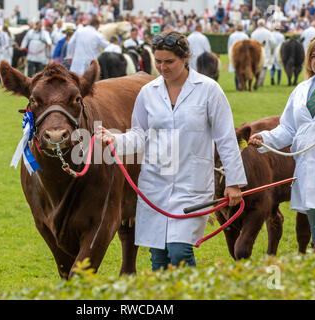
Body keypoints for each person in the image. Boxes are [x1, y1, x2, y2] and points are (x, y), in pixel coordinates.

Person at [97, 31, 247, 271]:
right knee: (158, 257)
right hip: (155, 185)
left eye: (169, 62)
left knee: (179, 251)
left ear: (185, 58)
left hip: (192, 185)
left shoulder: (209, 90)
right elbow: (139, 136)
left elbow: (226, 138)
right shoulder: (148, 92)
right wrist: (114, 140)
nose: (162, 67)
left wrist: (234, 182)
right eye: (158, 61)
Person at [248, 34, 315, 254]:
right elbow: (288, 129)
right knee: (314, 222)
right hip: (304, 166)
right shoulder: (301, 90)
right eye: (312, 56)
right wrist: (264, 139)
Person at [251, 19, 276, 87]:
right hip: (265, 52)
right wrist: (271, 50)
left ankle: (257, 81)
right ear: (264, 24)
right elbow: (273, 43)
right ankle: (260, 82)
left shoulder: (254, 33)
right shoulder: (268, 33)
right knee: (264, 67)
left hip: (255, 53)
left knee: (256, 66)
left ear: (258, 24)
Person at [227, 23, 248, 90]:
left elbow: (229, 47)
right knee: (243, 71)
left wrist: (230, 55)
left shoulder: (232, 36)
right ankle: (243, 85)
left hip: (234, 55)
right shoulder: (245, 36)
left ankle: (237, 87)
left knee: (237, 71)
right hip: (243, 56)